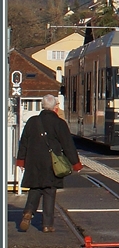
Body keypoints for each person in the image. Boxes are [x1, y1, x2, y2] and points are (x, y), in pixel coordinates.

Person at [15, 94, 81, 233]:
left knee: (35, 188)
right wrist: (76, 164)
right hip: (52, 163)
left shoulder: (32, 122)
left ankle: (28, 211)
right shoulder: (59, 123)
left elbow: (24, 142)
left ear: (42, 106)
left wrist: (21, 160)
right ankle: (47, 225)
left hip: (34, 161)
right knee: (49, 191)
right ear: (55, 107)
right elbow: (68, 145)